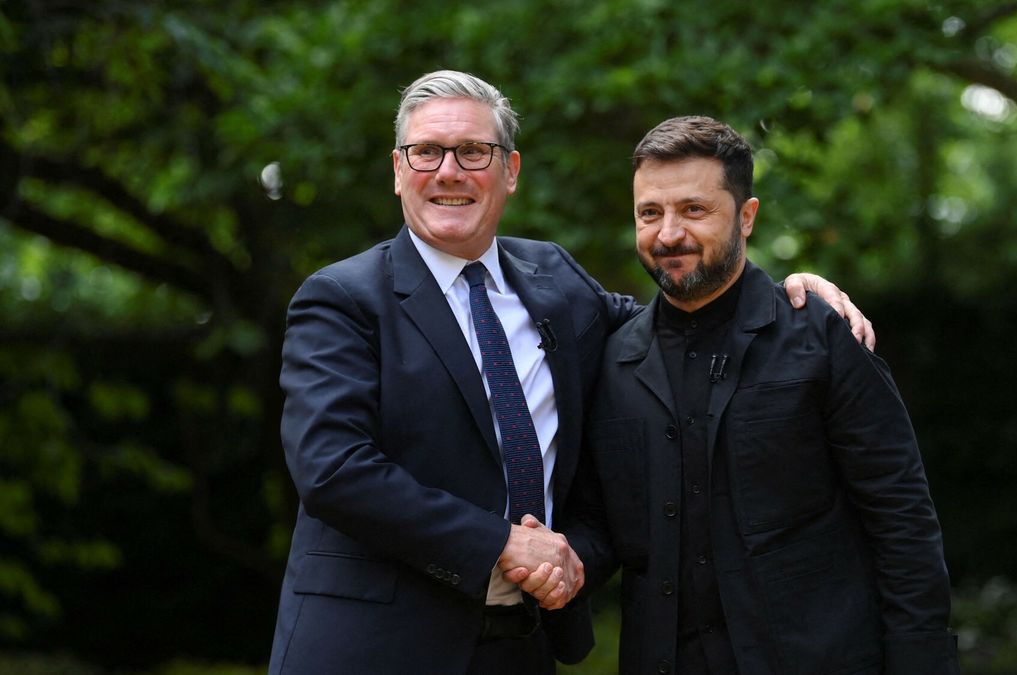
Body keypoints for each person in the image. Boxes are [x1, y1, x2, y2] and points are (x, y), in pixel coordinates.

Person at [267, 71, 874, 675]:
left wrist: (785, 296)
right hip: (371, 646)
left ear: (510, 171)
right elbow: (333, 469)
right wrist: (502, 544)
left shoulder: (553, 277)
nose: (448, 171)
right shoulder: (341, 299)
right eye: (426, 151)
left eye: (474, 151)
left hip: (520, 646)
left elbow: (675, 327)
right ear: (398, 171)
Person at [560, 116, 960, 675]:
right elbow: (600, 524)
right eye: (650, 213)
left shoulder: (822, 338)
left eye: (694, 210)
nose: (668, 233)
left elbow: (901, 520)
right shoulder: (609, 361)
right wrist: (558, 562)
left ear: (746, 217)